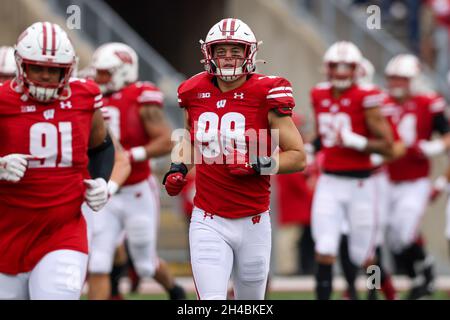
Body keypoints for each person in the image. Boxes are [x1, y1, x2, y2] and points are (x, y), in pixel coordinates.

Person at [163, 18, 306, 300]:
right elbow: (190, 138)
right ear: (209, 54)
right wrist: (177, 167)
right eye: (221, 50)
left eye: (235, 50)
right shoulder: (193, 91)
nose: (228, 57)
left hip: (253, 219)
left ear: (249, 53)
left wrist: (256, 164)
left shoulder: (267, 92)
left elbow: (298, 157)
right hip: (208, 218)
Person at [0, 22, 112, 299]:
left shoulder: (85, 96)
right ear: (21, 65)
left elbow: (103, 146)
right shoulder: (2, 100)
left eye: (54, 70)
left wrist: (101, 180)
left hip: (63, 230)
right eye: (37, 68)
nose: (45, 76)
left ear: (68, 69)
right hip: (7, 230)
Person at [87, 42, 185, 300]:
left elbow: (167, 139)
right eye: (98, 72)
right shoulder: (91, 98)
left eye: (105, 73)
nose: (99, 78)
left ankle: (176, 293)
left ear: (123, 71)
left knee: (144, 264)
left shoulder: (140, 96)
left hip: (137, 190)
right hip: (105, 190)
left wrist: (130, 155)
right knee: (97, 261)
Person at [310, 41, 395, 300]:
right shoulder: (318, 94)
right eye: (337, 66)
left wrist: (356, 141)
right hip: (329, 181)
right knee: (325, 248)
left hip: (361, 184)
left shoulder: (366, 97)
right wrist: (309, 149)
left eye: (347, 66)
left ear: (357, 69)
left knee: (364, 254)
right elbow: (325, 136)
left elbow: (388, 145)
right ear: (328, 68)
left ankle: (375, 295)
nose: (341, 71)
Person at [382, 54, 450, 299]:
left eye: (402, 79)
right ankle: (419, 276)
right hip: (386, 179)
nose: (396, 84)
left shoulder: (428, 102)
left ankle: (424, 274)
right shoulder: (382, 103)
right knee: (391, 236)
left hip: (415, 180)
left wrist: (432, 147)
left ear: (414, 79)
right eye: (393, 79)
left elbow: (447, 135)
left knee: (404, 231)